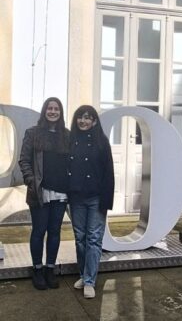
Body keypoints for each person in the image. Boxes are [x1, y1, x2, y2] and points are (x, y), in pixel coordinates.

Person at [19, 97, 70, 290]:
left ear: (60, 112)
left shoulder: (66, 134)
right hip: (40, 192)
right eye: (50, 108)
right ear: (44, 111)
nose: (53, 111)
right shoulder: (32, 133)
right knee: (39, 231)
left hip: (61, 192)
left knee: (55, 232)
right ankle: (37, 269)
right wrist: (31, 182)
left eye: (56, 108)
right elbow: (24, 160)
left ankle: (50, 268)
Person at [68, 105, 115, 299]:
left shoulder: (102, 142)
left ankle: (89, 281)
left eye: (88, 117)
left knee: (94, 239)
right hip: (76, 197)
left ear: (94, 121)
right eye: (80, 117)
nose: (83, 121)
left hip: (96, 198)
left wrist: (107, 202)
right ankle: (83, 274)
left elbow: (109, 174)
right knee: (80, 239)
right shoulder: (70, 141)